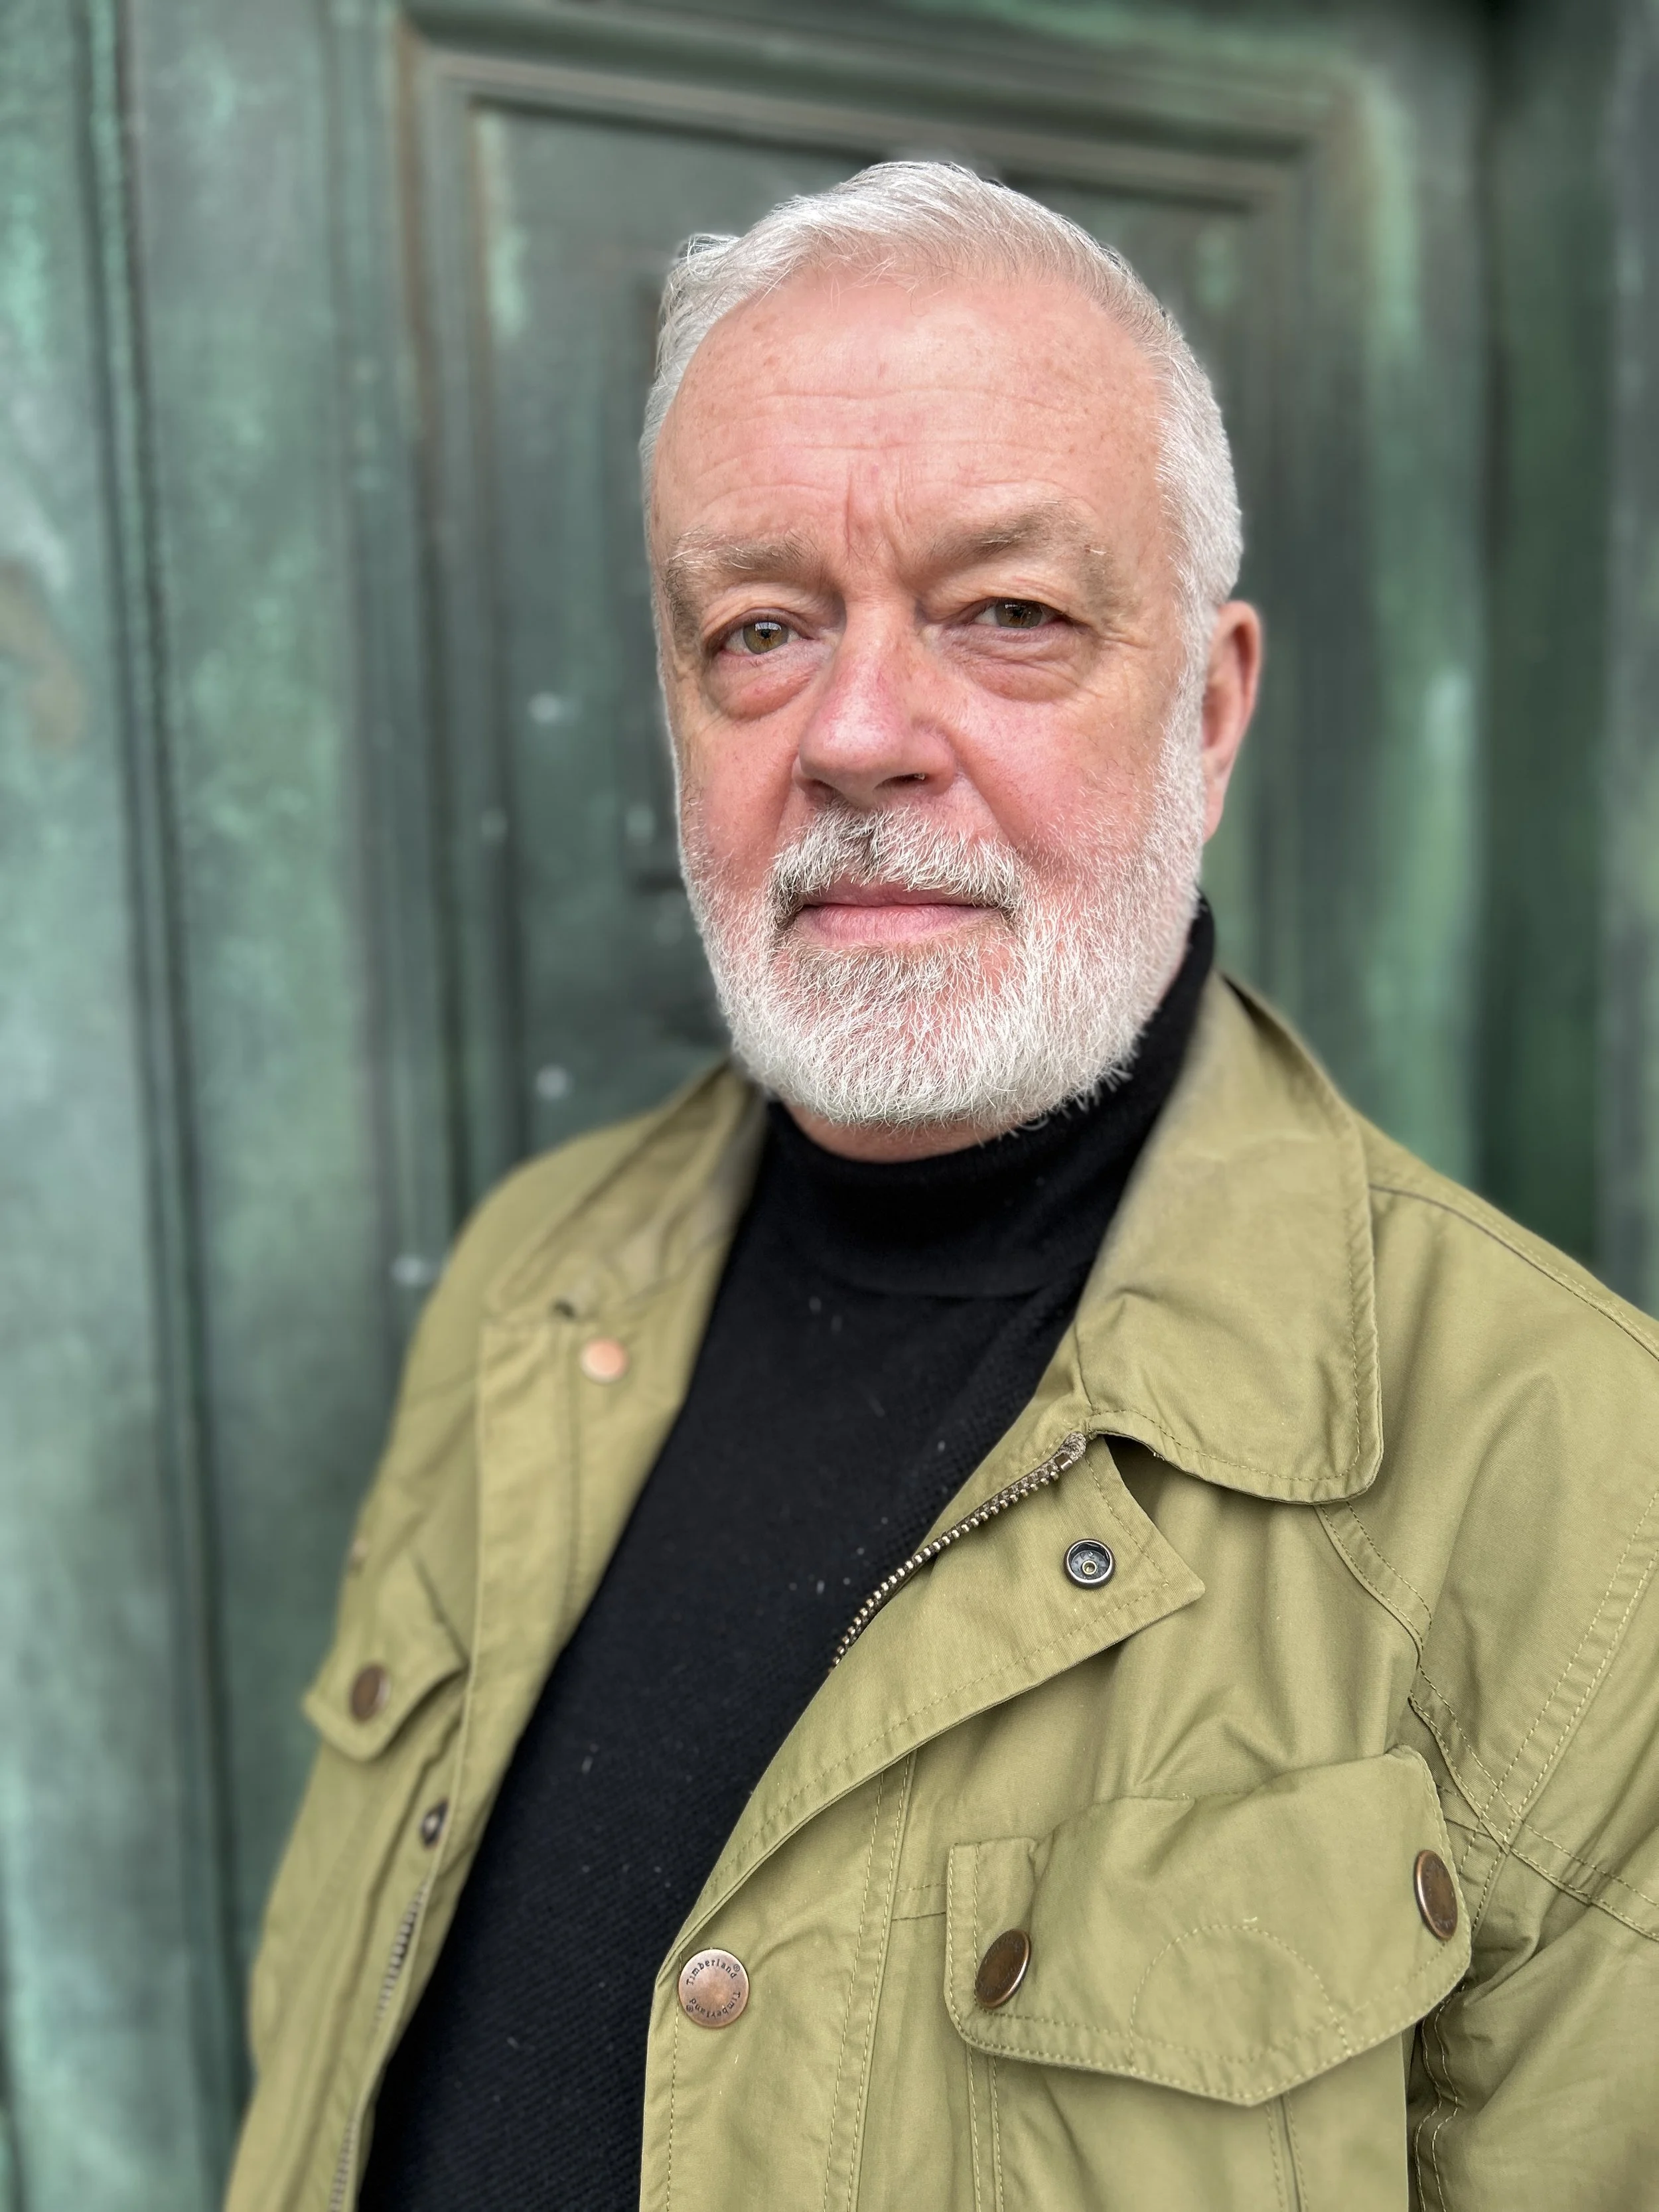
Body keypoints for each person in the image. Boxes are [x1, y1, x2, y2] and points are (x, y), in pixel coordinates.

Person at [227, 165, 1659, 2212]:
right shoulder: (532, 1280)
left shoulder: (1588, 1500)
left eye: (1008, 613)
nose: (860, 733)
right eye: (761, 628)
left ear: (1212, 706)